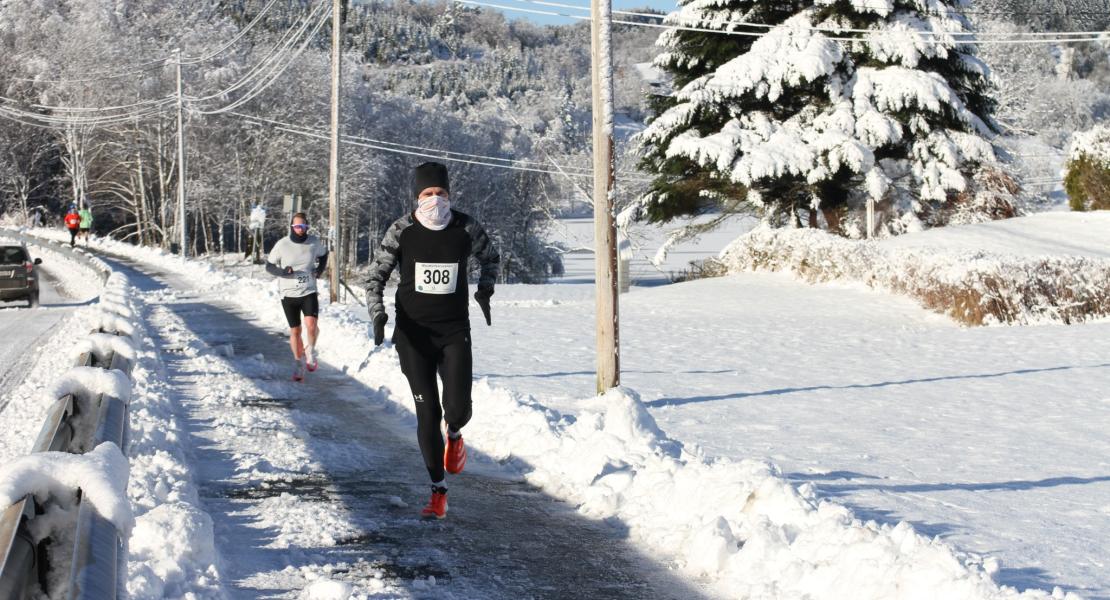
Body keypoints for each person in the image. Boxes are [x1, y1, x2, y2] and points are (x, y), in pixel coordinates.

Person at [365, 162, 500, 520]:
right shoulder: (402, 229)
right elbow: (375, 277)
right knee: (428, 413)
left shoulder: (466, 226)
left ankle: (455, 433)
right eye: (428, 194)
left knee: (456, 410)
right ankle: (438, 490)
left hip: (454, 331)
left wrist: (485, 291)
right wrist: (378, 314)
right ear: (416, 197)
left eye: (441, 193)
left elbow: (491, 258)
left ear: (449, 194)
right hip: (413, 335)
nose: (435, 200)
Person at [265, 212, 329, 382]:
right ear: (292, 227)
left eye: (304, 226)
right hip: (288, 293)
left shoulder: (313, 242)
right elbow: (269, 266)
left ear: (307, 227)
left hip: (308, 290)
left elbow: (324, 255)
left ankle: (310, 351)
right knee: (296, 330)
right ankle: (298, 364)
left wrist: (319, 270)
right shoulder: (282, 244)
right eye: (297, 226)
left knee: (312, 325)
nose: (301, 229)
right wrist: (283, 272)